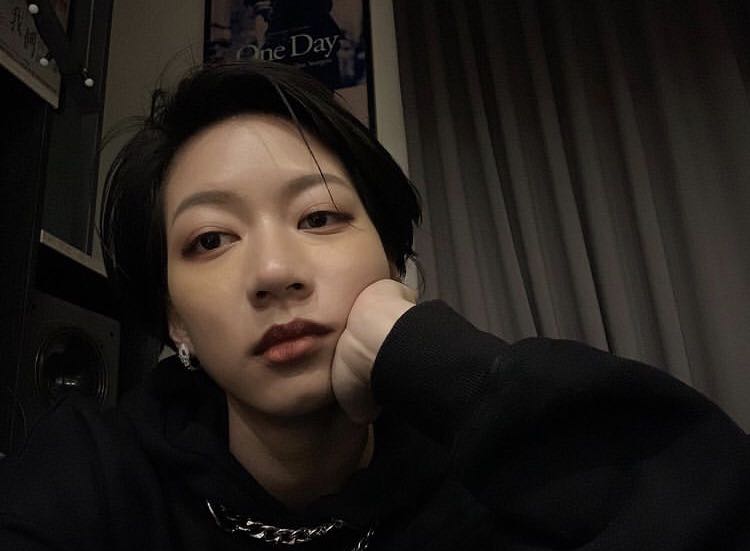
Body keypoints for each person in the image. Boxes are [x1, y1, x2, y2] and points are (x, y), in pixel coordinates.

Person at [0, 60, 748, 550]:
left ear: (392, 260)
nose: (273, 271)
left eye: (319, 217)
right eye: (211, 239)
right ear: (174, 320)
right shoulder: (90, 474)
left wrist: (430, 355)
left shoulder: (483, 491)